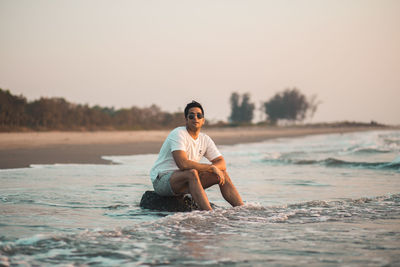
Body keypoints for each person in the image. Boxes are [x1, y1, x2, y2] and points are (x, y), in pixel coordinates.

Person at [150, 100, 244, 210]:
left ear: (203, 120)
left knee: (222, 173)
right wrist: (210, 167)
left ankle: (242, 210)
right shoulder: (178, 134)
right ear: (186, 119)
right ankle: (209, 214)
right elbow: (183, 164)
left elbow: (222, 162)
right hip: (163, 180)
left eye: (199, 115)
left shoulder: (205, 139)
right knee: (192, 173)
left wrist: (215, 169)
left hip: (186, 181)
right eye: (191, 116)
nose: (195, 118)